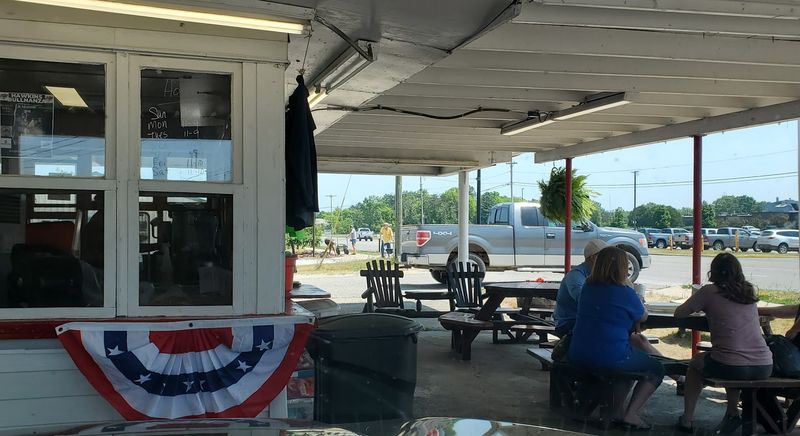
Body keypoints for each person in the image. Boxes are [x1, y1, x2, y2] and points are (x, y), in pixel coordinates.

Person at [675, 253, 773, 434]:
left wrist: (704, 309)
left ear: (713, 272)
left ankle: (687, 419)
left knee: (697, 363)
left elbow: (679, 313)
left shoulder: (709, 291)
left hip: (731, 364)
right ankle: (731, 412)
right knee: (728, 358)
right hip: (764, 364)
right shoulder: (748, 291)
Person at [568, 246, 664, 430]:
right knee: (656, 368)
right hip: (608, 356)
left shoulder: (588, 287)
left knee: (626, 368)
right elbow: (642, 316)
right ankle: (631, 414)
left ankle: (616, 412)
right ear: (622, 267)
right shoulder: (625, 292)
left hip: (578, 352)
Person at [554, 239, 609, 337]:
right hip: (568, 324)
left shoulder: (600, 275)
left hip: (586, 321)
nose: (610, 260)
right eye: (605, 256)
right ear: (593, 258)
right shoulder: (575, 275)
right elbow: (583, 299)